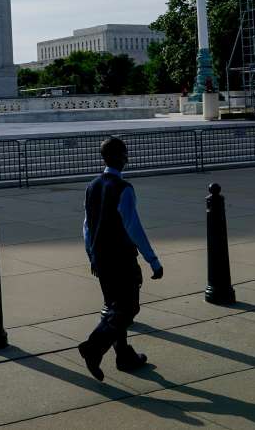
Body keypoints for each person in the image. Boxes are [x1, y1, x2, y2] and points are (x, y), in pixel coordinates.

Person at [77, 137, 163, 382]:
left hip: (100, 259)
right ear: (120, 157)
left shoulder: (92, 185)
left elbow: (86, 226)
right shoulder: (124, 188)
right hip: (121, 258)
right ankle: (93, 347)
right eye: (125, 154)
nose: (127, 158)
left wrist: (91, 254)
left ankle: (124, 355)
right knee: (128, 308)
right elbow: (133, 228)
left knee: (113, 308)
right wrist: (153, 261)